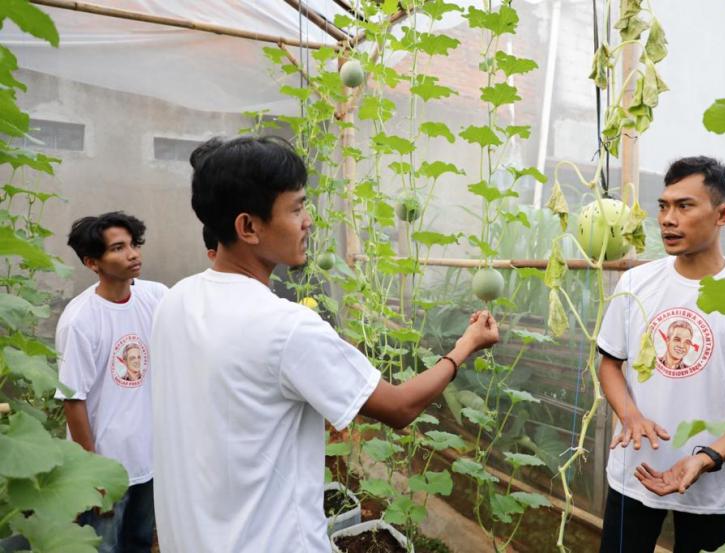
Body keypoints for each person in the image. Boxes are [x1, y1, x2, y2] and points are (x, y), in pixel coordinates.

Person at [151, 136, 500, 553]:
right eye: (296, 208)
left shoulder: (174, 300)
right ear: (248, 227)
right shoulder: (286, 327)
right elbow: (400, 407)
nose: (308, 221)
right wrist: (465, 346)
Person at [596, 156, 725, 553]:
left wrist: (706, 457)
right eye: (664, 206)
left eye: (684, 206)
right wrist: (630, 415)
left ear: (724, 214)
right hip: (633, 471)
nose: (668, 219)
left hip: (713, 484)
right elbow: (609, 363)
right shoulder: (636, 282)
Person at [56, 212, 167, 553]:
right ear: (92, 262)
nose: (133, 254)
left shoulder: (156, 297)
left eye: (133, 244)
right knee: (102, 546)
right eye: (118, 248)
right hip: (106, 465)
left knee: (138, 542)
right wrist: (93, 474)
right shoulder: (80, 321)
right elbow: (73, 401)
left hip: (148, 460)